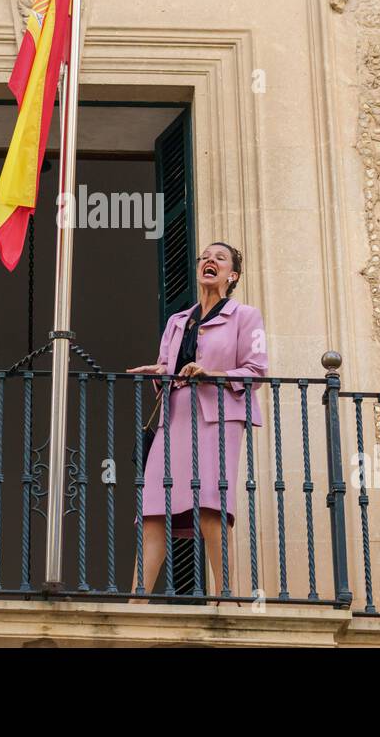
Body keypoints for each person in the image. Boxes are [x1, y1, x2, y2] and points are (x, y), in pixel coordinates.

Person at [127, 241, 268, 598]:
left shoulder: (245, 316)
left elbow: (256, 370)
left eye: (219, 258)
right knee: (154, 510)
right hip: (173, 419)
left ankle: (225, 597)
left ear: (232, 274)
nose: (209, 261)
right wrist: (160, 371)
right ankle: (136, 601)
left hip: (218, 419)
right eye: (204, 256)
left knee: (211, 505)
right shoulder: (178, 321)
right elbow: (168, 370)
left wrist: (211, 372)